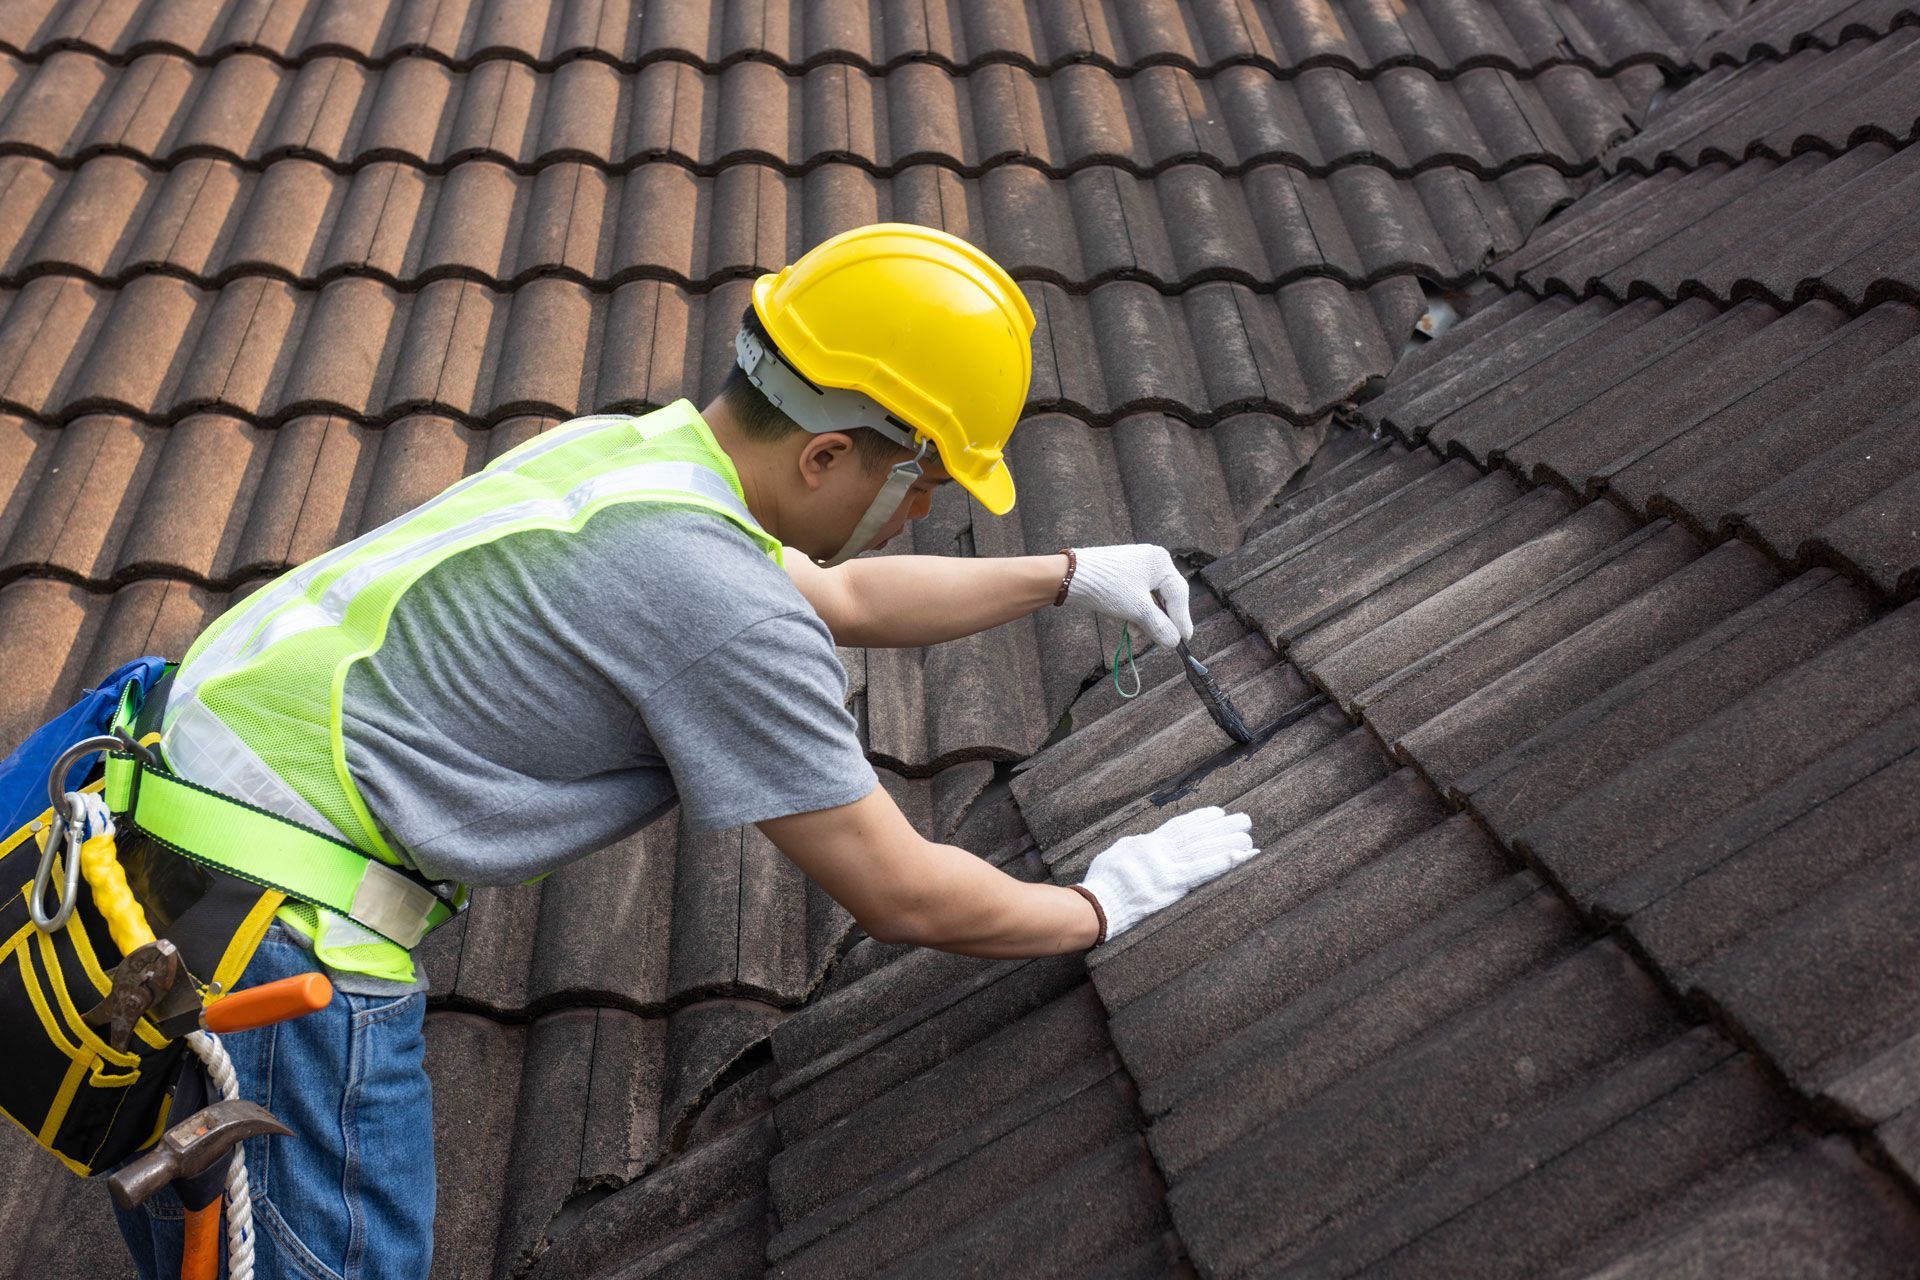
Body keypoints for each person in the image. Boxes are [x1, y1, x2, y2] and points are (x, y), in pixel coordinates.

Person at [110, 223, 1259, 1278]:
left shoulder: (638, 453)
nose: (927, 514)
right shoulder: (717, 604)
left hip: (147, 842)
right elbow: (901, 886)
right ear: (825, 457)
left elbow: (841, 592)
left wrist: (1067, 574)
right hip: (271, 938)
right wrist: (1099, 904)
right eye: (922, 483)